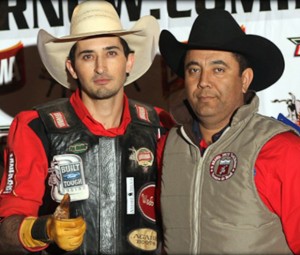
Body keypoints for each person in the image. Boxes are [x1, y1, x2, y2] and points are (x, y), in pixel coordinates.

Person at [0, 1, 173, 254]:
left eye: (111, 53)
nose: (100, 67)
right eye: (88, 56)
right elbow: (6, 229)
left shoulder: (161, 125)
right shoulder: (36, 126)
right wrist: (43, 229)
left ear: (129, 61)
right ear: (72, 68)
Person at [158, 9, 300, 255]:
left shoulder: (282, 150)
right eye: (194, 70)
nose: (203, 81)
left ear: (244, 79)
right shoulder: (167, 147)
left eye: (218, 69)